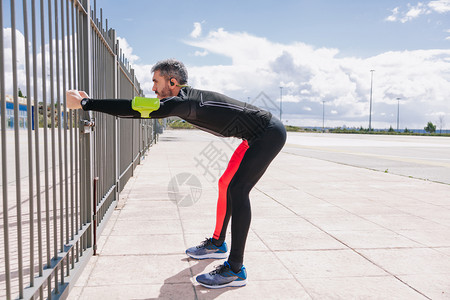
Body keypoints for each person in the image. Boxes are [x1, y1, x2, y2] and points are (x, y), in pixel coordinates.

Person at [66, 58, 286, 289]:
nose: (152, 88)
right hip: (252, 136)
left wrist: (85, 103)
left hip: (268, 134)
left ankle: (235, 269)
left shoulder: (184, 102)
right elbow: (138, 106)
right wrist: (86, 101)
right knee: (225, 184)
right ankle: (218, 243)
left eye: (155, 81)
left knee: (238, 190)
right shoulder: (184, 99)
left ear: (172, 82)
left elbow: (134, 108)